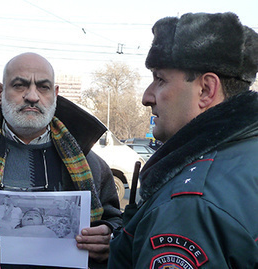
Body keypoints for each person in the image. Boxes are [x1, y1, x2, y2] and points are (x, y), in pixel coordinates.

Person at [108, 12, 258, 268]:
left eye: (160, 79)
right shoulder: (246, 152)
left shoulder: (188, 205)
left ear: (206, 90)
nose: (147, 96)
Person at [0, 52, 122, 268]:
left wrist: (108, 237)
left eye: (43, 87)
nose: (32, 96)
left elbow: (117, 223)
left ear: (55, 95)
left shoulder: (90, 165)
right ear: (0, 93)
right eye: (20, 85)